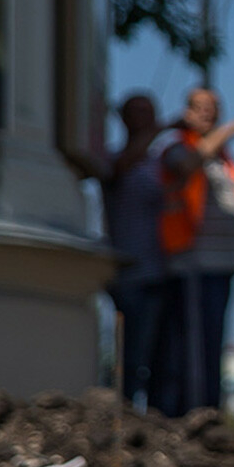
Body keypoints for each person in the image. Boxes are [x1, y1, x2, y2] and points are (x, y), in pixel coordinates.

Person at [158, 88, 234, 417]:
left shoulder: (225, 159)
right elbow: (187, 165)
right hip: (192, 265)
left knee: (213, 345)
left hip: (223, 264)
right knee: (190, 349)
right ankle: (188, 415)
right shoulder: (177, 149)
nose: (207, 115)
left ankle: (208, 413)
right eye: (200, 109)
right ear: (186, 112)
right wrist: (230, 130)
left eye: (213, 109)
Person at [101, 93, 170, 410]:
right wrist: (163, 128)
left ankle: (152, 423)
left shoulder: (158, 164)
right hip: (129, 272)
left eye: (150, 112)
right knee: (130, 357)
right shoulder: (114, 159)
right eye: (138, 112)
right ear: (124, 118)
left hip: (160, 271)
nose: (146, 118)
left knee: (160, 360)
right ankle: (125, 414)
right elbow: (121, 167)